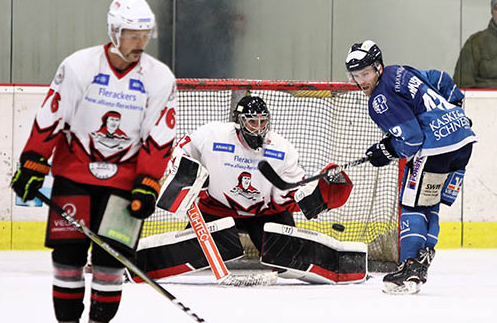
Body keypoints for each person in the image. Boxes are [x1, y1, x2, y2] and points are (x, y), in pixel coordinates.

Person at [10, 0, 178, 323]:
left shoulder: (159, 77)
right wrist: (33, 162)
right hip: (75, 175)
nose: (140, 42)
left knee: (110, 259)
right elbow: (52, 115)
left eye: (145, 34)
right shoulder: (79, 66)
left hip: (125, 182)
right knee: (67, 257)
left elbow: (159, 138)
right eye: (133, 34)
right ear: (114, 31)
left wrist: (148, 183)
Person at [136, 94, 356, 282]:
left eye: (262, 122)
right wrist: (188, 173)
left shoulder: (281, 148)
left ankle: (341, 266)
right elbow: (182, 150)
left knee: (287, 261)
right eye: (252, 122)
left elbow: (295, 187)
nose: (258, 129)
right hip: (217, 208)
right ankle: (136, 262)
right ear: (239, 122)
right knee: (188, 250)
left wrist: (315, 196)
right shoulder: (213, 135)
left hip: (264, 214)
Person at [346, 40, 476, 294]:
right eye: (356, 75)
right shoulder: (399, 71)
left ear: (378, 67)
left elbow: (412, 140)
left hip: (436, 147)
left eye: (366, 73)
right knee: (429, 200)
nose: (361, 80)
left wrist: (386, 151)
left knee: (411, 204)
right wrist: (455, 110)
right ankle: (424, 255)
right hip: (463, 138)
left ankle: (410, 266)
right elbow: (440, 79)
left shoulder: (379, 100)